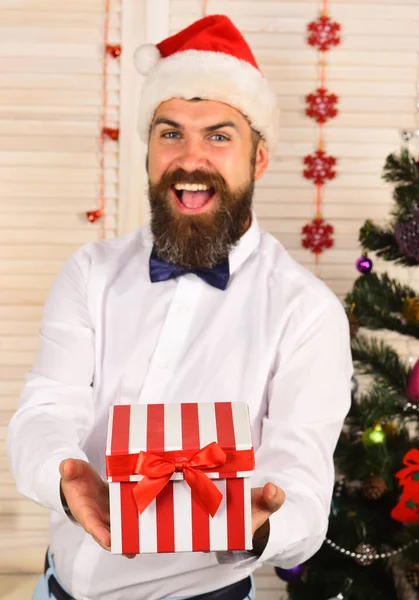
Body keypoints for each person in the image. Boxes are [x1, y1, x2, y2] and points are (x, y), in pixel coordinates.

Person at [7, 14, 352, 600]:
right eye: (170, 133)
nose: (191, 158)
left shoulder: (306, 311)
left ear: (259, 159)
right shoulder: (88, 273)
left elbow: (303, 481)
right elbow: (45, 410)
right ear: (148, 151)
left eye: (219, 136)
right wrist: (65, 477)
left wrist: (265, 521)